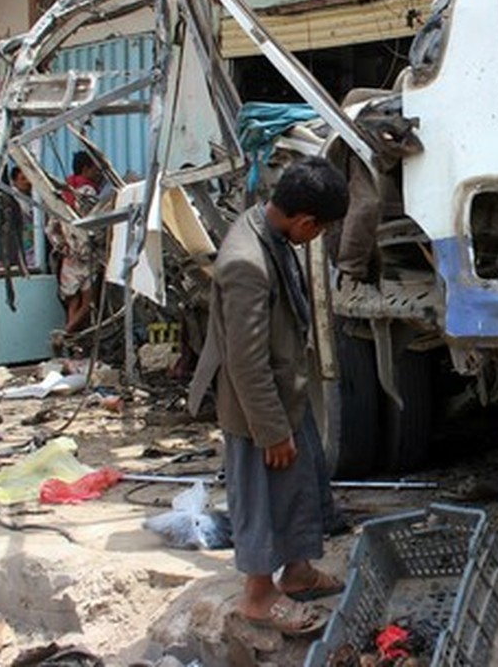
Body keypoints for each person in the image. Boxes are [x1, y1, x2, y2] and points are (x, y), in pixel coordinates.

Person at [201, 156, 350, 636]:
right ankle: (259, 597)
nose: (318, 236)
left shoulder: (273, 231)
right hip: (256, 409)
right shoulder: (246, 262)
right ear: (305, 221)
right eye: (320, 229)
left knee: (299, 484)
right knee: (263, 499)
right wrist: (270, 430)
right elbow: (245, 362)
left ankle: (299, 573)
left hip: (286, 392)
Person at [49, 151, 103, 333]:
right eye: (96, 169)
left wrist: (61, 244)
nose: (99, 173)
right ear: (86, 168)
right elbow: (95, 222)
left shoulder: (63, 191)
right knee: (89, 302)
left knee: (73, 301)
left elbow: (51, 227)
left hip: (68, 256)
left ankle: (73, 346)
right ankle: (67, 335)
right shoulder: (88, 191)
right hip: (86, 253)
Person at [0, 166, 38, 271]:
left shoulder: (34, 199)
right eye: (23, 179)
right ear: (14, 182)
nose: (27, 182)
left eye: (28, 178)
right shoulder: (14, 200)